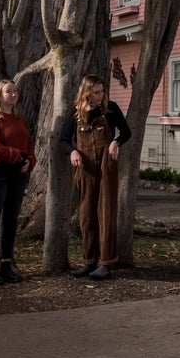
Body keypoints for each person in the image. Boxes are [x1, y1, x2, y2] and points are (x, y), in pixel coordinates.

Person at [62, 75, 130, 280]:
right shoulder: (75, 113)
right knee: (86, 215)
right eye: (96, 92)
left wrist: (116, 142)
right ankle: (89, 261)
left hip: (106, 167)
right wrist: (72, 152)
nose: (100, 95)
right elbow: (64, 141)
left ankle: (105, 262)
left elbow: (127, 132)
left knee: (106, 212)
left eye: (102, 91)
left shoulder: (111, 109)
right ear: (86, 92)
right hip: (85, 169)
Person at [0, 79, 36, 286]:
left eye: (15, 91)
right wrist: (18, 157)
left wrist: (29, 161)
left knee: (11, 220)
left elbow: (28, 144)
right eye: (8, 91)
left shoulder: (19, 118)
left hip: (18, 173)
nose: (13, 94)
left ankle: (6, 265)